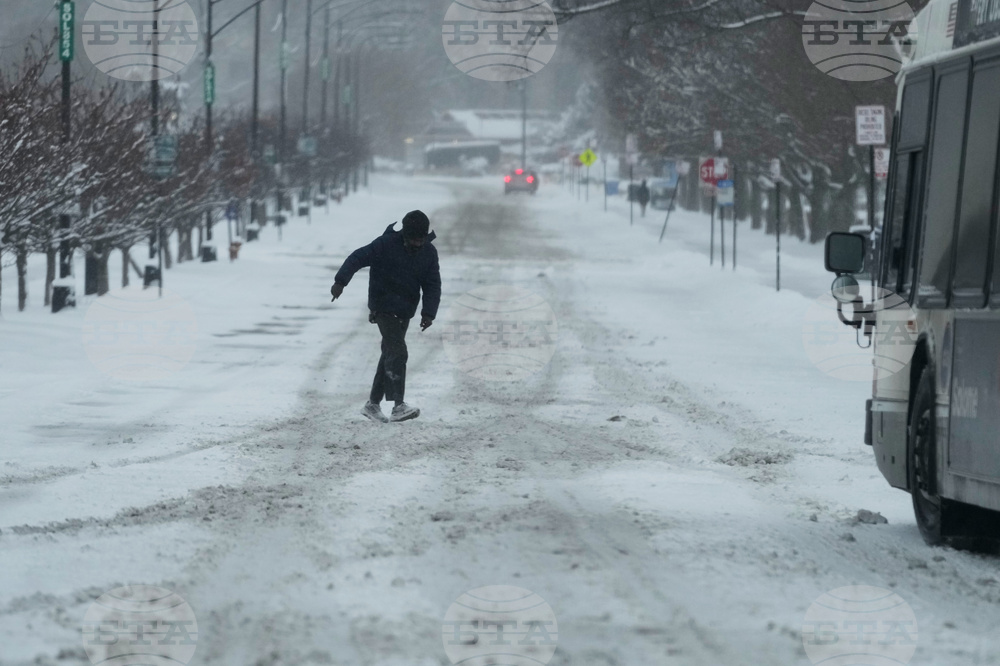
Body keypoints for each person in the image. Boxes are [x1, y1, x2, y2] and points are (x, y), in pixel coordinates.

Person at [330, 210, 441, 423]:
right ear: (405, 234)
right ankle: (398, 405)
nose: (417, 244)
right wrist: (340, 282)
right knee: (398, 351)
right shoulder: (385, 244)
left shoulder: (428, 252)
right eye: (413, 240)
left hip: (406, 309)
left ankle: (373, 404)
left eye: (421, 240)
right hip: (383, 306)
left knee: (389, 353)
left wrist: (429, 313)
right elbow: (357, 258)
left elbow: (432, 284)